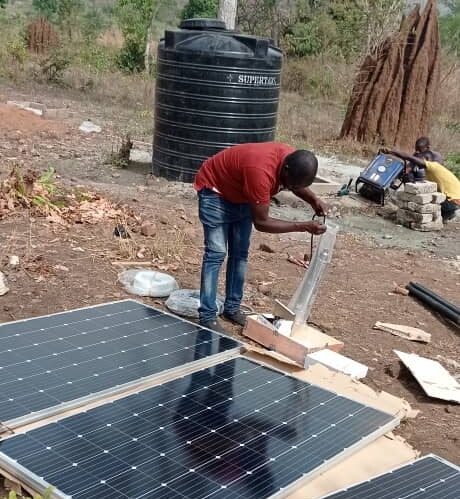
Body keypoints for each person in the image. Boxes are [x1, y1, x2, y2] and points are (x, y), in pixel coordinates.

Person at [194, 142, 328, 333]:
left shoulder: (291, 160)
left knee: (239, 254)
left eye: (295, 187)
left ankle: (231, 308)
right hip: (216, 192)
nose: (290, 189)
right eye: (291, 185)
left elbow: (294, 184)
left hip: (242, 193)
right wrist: (302, 226)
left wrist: (314, 199)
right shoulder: (260, 172)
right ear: (285, 169)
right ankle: (207, 315)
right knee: (216, 253)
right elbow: (262, 222)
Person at [389, 148, 460, 221]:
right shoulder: (429, 172)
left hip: (453, 201)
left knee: (421, 207)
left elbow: (409, 157)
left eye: (419, 159)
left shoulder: (434, 166)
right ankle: (447, 214)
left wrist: (394, 151)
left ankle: (449, 212)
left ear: (425, 159)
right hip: (453, 199)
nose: (416, 163)